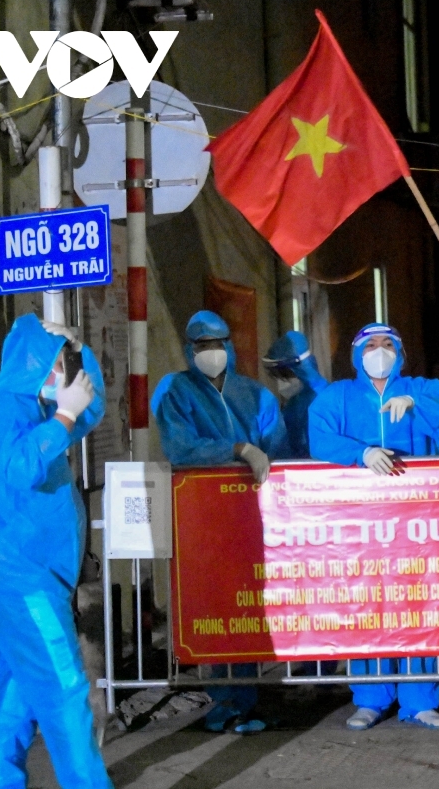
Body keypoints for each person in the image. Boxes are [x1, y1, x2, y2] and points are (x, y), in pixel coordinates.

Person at [0, 314, 110, 789]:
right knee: (65, 691)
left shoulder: (37, 407)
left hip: (33, 577)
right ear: (31, 365)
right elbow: (19, 468)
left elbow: (90, 408)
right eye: (56, 364)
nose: (61, 374)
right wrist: (65, 415)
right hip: (22, 580)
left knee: (12, 694)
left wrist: (80, 347)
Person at [309, 323, 439, 730]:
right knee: (365, 604)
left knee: (416, 602)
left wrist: (412, 402)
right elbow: (319, 436)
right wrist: (362, 452)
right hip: (360, 524)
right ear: (357, 353)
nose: (379, 351)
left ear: (400, 352)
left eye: (387, 345)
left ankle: (420, 699)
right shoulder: (338, 396)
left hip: (412, 523)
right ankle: (370, 697)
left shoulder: (421, 387)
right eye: (371, 345)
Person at [151, 310, 289, 734]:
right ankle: (223, 698)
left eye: (217, 343)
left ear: (229, 345)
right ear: (190, 350)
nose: (211, 352)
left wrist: (261, 457)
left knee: (246, 604)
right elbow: (181, 448)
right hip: (204, 518)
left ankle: (246, 698)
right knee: (213, 603)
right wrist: (239, 448)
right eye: (201, 345)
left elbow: (278, 449)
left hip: (252, 515)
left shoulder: (256, 395)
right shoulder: (176, 390)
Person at [263, 331, 328, 458]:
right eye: (276, 375)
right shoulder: (293, 405)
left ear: (301, 369)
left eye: (285, 374)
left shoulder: (328, 400)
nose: (280, 381)